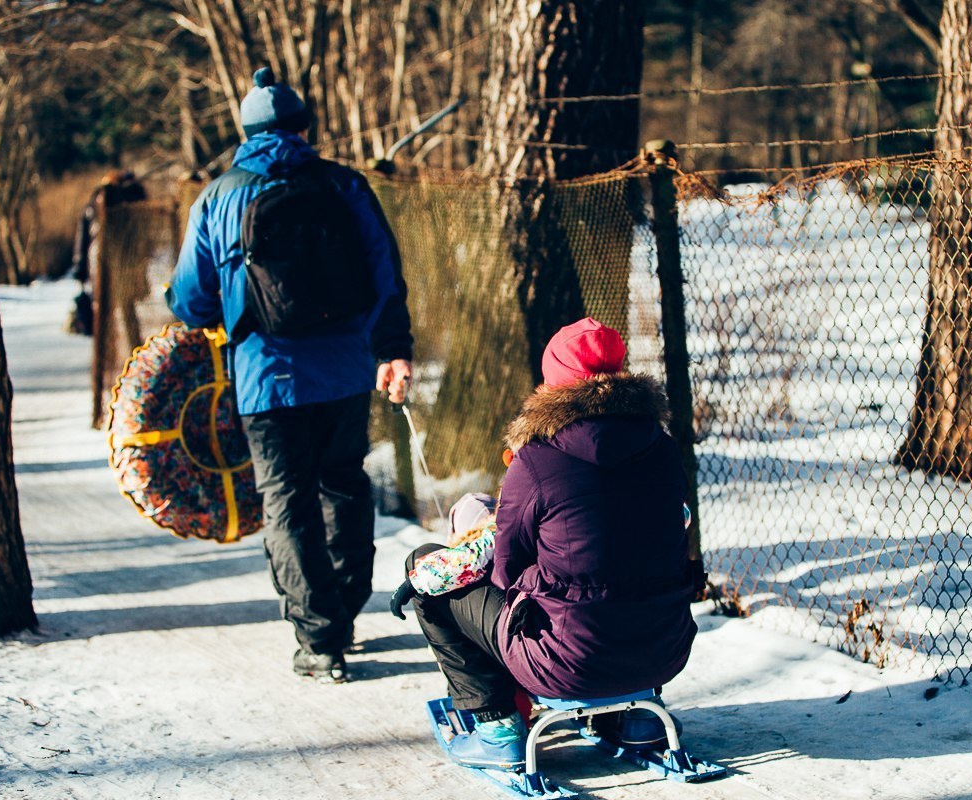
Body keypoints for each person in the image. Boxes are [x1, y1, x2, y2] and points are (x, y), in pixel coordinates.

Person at [168, 67, 413, 683]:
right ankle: (346, 613)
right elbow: (385, 273)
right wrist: (391, 348)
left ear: (243, 132)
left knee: (286, 503)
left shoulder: (220, 196)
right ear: (304, 128)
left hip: (265, 378)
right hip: (345, 372)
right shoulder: (345, 186)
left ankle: (318, 637)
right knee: (345, 483)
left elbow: (192, 299)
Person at [396, 318, 698, 768]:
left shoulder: (536, 459)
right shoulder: (663, 447)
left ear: (552, 383)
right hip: (664, 649)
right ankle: (637, 720)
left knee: (428, 578)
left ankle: (497, 726)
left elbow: (506, 567)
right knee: (637, 567)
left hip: (561, 661)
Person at [69, 169, 147, 337]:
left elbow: (83, 238)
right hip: (121, 262)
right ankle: (128, 342)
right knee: (125, 308)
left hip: (99, 263)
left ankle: (107, 346)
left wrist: (80, 268)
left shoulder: (95, 202)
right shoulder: (127, 201)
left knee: (105, 308)